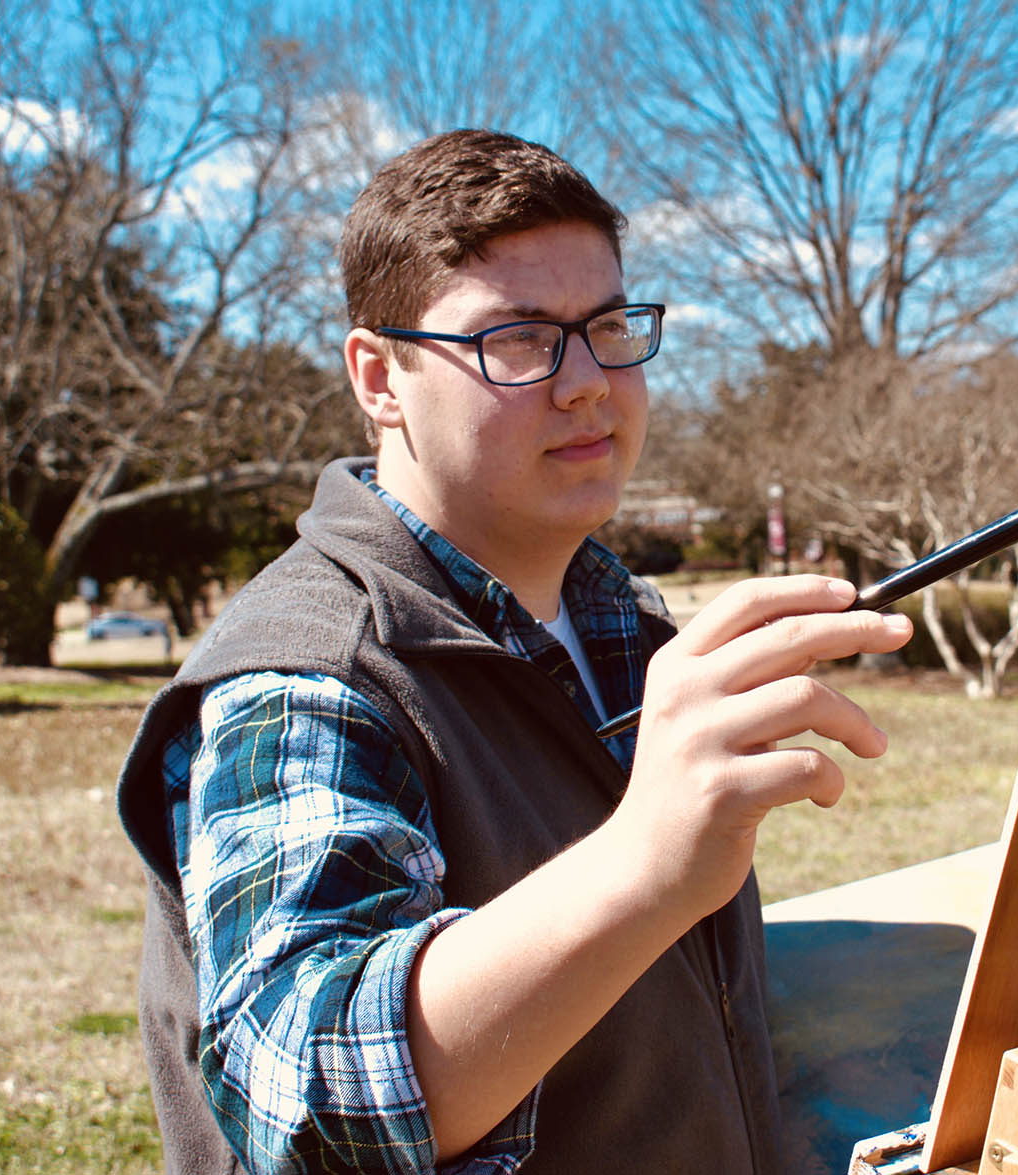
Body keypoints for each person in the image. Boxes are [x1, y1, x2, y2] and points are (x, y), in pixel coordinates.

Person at [116, 129, 913, 1174]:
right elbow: (305, 1105)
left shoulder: (622, 626)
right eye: (518, 340)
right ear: (379, 378)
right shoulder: (307, 676)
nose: (586, 383)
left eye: (607, 327)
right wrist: (647, 860)